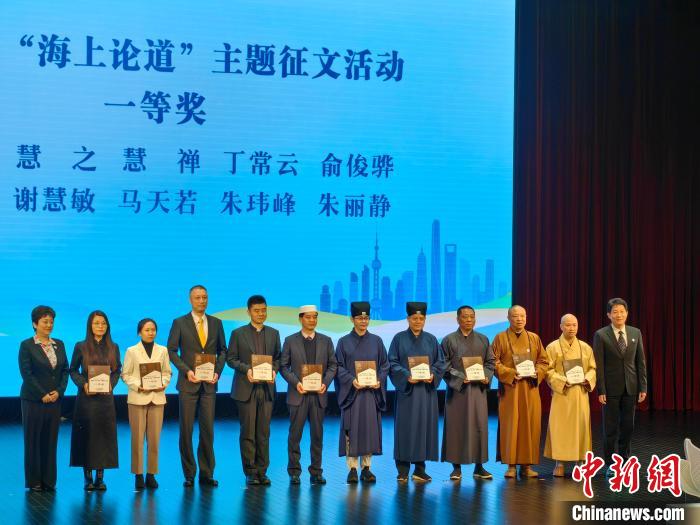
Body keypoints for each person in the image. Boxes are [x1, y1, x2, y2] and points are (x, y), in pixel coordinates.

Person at [167, 285, 227, 487]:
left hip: (209, 385)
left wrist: (217, 372)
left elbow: (223, 351)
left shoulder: (216, 323)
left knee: (207, 430)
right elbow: (172, 351)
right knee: (186, 431)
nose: (202, 301)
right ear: (190, 300)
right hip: (188, 384)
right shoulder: (179, 322)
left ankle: (207, 473)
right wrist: (186, 371)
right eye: (198, 297)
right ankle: (189, 474)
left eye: (204, 297)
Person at [388, 302, 446, 482]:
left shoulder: (431, 339)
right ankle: (403, 469)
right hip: (408, 392)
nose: (418, 321)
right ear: (408, 319)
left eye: (421, 318)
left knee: (424, 427)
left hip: (426, 393)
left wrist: (433, 374)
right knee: (405, 428)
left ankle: (420, 469)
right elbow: (392, 362)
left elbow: (440, 362)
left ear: (425, 319)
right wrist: (406, 376)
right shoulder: (398, 339)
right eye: (414, 318)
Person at [280, 305, 338, 485]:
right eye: (308, 317)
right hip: (298, 394)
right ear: (300, 319)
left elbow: (333, 365)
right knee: (295, 435)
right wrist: (296, 383)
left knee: (317, 435)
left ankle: (316, 471)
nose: (312, 320)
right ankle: (294, 472)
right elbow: (283, 366)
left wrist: (325, 383)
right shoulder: (290, 340)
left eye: (315, 317)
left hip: (318, 395)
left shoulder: (326, 340)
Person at [227, 295, 281, 486]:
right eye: (257, 311)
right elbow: (231, 359)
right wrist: (247, 370)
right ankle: (250, 471)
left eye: (264, 310)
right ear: (248, 311)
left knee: (264, 433)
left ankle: (262, 471)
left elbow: (278, 358)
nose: (261, 314)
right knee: (248, 432)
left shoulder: (274, 333)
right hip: (246, 388)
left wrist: (274, 370)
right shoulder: (238, 333)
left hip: (266, 389)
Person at [335, 301, 390, 484]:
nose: (363, 322)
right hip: (353, 394)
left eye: (366, 318)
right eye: (359, 318)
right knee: (351, 429)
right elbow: (338, 367)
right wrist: (352, 380)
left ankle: (366, 468)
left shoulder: (377, 341)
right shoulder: (343, 342)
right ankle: (352, 468)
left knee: (369, 430)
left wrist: (379, 380)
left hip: (371, 395)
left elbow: (385, 365)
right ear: (352, 319)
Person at [491, 305, 548, 479]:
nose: (519, 319)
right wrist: (510, 373)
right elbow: (493, 362)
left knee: (530, 425)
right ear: (509, 318)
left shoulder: (534, 338)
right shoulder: (500, 338)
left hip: (530, 389)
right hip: (511, 389)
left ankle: (526, 466)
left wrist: (537, 372)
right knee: (510, 426)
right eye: (515, 316)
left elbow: (544, 361)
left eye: (522, 316)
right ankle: (511, 465)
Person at [593, 298, 647, 475]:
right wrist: (601, 389)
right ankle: (610, 464)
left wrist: (643, 387)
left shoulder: (635, 332)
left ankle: (624, 462)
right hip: (610, 389)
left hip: (631, 388)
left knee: (627, 427)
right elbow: (599, 365)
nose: (619, 315)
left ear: (627, 313)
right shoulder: (601, 335)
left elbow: (640, 362)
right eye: (615, 312)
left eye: (622, 311)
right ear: (609, 315)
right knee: (610, 429)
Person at [441, 305, 495, 481]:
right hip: (458, 391)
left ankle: (479, 466)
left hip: (478, 391)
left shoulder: (483, 339)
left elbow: (490, 362)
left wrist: (486, 376)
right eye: (465, 317)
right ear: (458, 319)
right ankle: (456, 468)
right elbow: (444, 365)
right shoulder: (448, 340)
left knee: (479, 426)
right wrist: (460, 377)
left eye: (472, 316)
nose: (469, 320)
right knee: (456, 427)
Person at [19, 305, 69, 492]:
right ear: (35, 324)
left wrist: (59, 392)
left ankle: (49, 480)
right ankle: (34, 481)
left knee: (50, 440)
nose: (49, 325)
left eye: (51, 322)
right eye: (44, 321)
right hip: (33, 400)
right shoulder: (27, 345)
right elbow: (27, 374)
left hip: (55, 400)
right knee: (33, 441)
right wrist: (42, 394)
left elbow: (65, 371)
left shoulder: (59, 344)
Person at [69, 310, 121, 490]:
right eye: (96, 323)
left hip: (105, 400)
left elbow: (117, 370)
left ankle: (100, 477)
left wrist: (111, 384)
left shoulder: (113, 347)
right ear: (90, 326)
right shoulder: (81, 346)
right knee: (88, 436)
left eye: (103, 323)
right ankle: (88, 477)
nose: (100, 326)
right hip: (87, 399)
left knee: (103, 437)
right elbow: (73, 370)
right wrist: (83, 384)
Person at [121, 318, 172, 490]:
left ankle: (151, 474)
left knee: (154, 439)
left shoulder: (163, 350)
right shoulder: (131, 351)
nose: (151, 333)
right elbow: (125, 374)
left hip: (157, 398)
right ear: (139, 332)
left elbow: (167, 372)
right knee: (137, 439)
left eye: (153, 330)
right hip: (138, 398)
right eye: (147, 330)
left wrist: (163, 383)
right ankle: (138, 474)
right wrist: (138, 386)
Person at [544, 314, 596, 477]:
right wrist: (561, 381)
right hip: (562, 393)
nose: (571, 328)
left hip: (580, 393)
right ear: (561, 326)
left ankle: (580, 462)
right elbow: (547, 370)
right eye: (567, 325)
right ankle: (559, 462)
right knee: (560, 427)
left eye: (574, 325)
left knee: (580, 426)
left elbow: (592, 369)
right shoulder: (552, 347)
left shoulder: (585, 347)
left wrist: (587, 379)